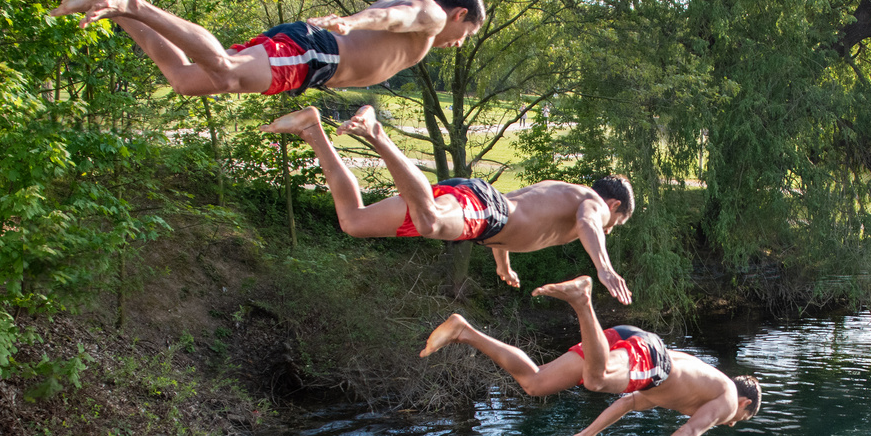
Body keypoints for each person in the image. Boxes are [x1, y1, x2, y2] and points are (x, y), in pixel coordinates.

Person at [421, 276, 761, 436]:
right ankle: (583, 301)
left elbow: (628, 402)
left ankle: (463, 330)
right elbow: (691, 431)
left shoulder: (695, 385)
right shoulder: (728, 398)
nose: (730, 423)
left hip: (633, 343)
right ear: (744, 403)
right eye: (740, 420)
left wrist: (587, 435)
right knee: (596, 380)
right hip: (652, 358)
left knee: (535, 382)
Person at [264, 105, 635, 303]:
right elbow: (588, 222)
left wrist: (502, 265)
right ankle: (377, 134)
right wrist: (603, 268)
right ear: (613, 204)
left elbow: (512, 220)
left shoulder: (561, 192)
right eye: (615, 223)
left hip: (482, 213)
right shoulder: (591, 202)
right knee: (429, 224)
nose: (608, 228)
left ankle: (312, 129)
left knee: (354, 221)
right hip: (484, 210)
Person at [50, 0, 483, 107]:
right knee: (224, 69)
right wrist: (352, 22)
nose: (458, 44)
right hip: (320, 53)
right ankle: (134, 2)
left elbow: (392, 17)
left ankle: (114, 4)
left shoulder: (428, 21)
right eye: (465, 36)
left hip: (311, 61)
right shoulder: (431, 13)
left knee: (186, 79)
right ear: (459, 15)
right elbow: (394, 16)